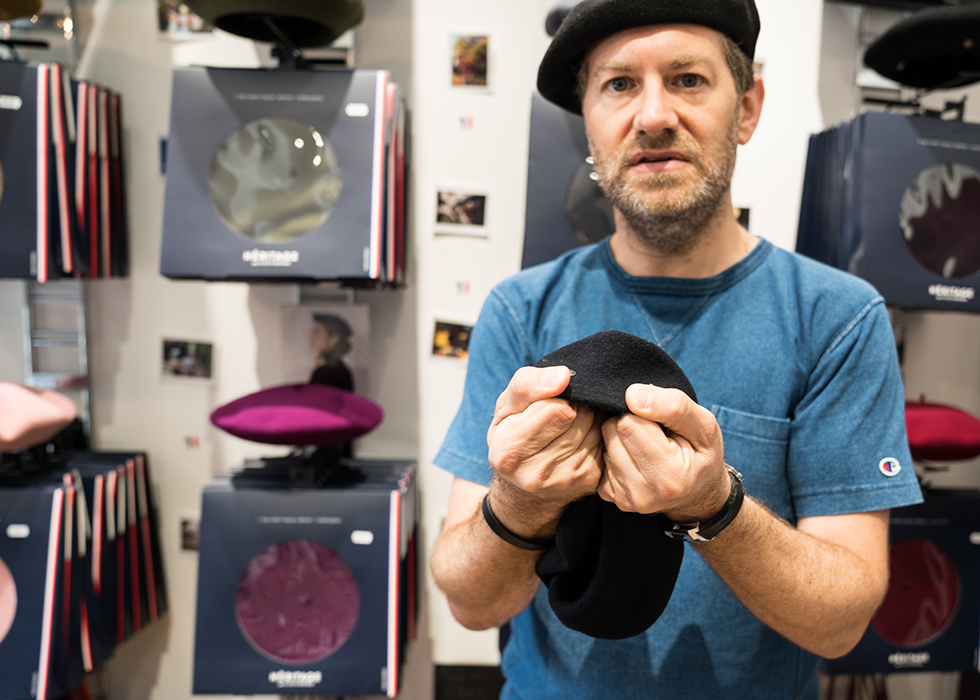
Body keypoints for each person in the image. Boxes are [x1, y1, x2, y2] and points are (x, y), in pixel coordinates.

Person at [429, 1, 924, 698]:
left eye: (688, 79)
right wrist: (519, 502)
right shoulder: (521, 311)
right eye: (619, 84)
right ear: (589, 121)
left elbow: (840, 622)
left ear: (747, 108)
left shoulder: (837, 319)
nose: (654, 115)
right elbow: (470, 603)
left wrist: (714, 505)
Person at [308, 313, 355, 392]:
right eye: (312, 331)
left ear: (334, 339)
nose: (311, 336)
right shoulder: (337, 368)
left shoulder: (327, 371)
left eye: (317, 332)